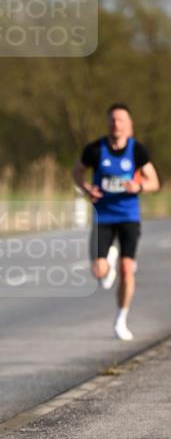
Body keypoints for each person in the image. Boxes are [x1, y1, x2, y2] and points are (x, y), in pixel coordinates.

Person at [73, 103, 159, 340]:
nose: (116, 124)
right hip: (103, 216)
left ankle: (121, 319)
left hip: (129, 216)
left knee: (127, 269)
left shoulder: (137, 151)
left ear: (129, 126)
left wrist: (138, 186)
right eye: (112, 119)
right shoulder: (95, 149)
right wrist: (86, 188)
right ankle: (106, 262)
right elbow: (77, 171)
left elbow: (154, 182)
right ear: (107, 123)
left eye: (121, 120)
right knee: (99, 272)